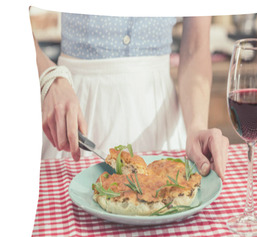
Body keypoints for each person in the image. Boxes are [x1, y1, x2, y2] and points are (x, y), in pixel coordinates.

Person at [32, 12, 229, 180]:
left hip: (161, 115)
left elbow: (195, 49)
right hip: (76, 109)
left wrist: (195, 127)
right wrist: (48, 76)